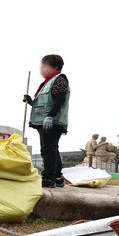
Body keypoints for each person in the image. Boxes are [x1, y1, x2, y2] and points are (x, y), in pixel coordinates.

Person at [23, 54, 70, 188]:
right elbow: (45, 104)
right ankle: (57, 177)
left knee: (47, 149)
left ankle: (48, 178)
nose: (41, 69)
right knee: (52, 148)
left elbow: (59, 100)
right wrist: (31, 101)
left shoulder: (59, 80)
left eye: (44, 66)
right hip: (44, 121)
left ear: (54, 66)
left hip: (51, 122)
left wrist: (50, 116)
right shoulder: (47, 83)